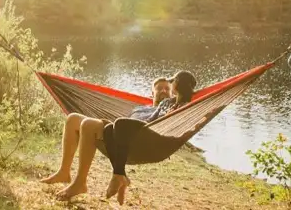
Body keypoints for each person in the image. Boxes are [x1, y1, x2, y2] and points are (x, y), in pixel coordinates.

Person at [41, 71, 196, 203]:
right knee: (75, 120)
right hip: (121, 134)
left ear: (173, 92)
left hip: (146, 140)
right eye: (159, 88)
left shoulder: (171, 106)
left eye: (167, 88)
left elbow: (185, 98)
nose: (163, 90)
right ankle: (66, 173)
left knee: (104, 124)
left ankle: (102, 178)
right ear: (151, 94)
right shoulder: (140, 108)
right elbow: (123, 123)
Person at [102, 70, 197, 204]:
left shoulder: (187, 107)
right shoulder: (166, 102)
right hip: (149, 128)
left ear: (176, 85)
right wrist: (138, 122)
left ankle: (118, 175)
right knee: (108, 129)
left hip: (160, 138)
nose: (170, 86)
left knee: (120, 123)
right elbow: (152, 118)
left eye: (173, 82)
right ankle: (120, 174)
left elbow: (183, 124)